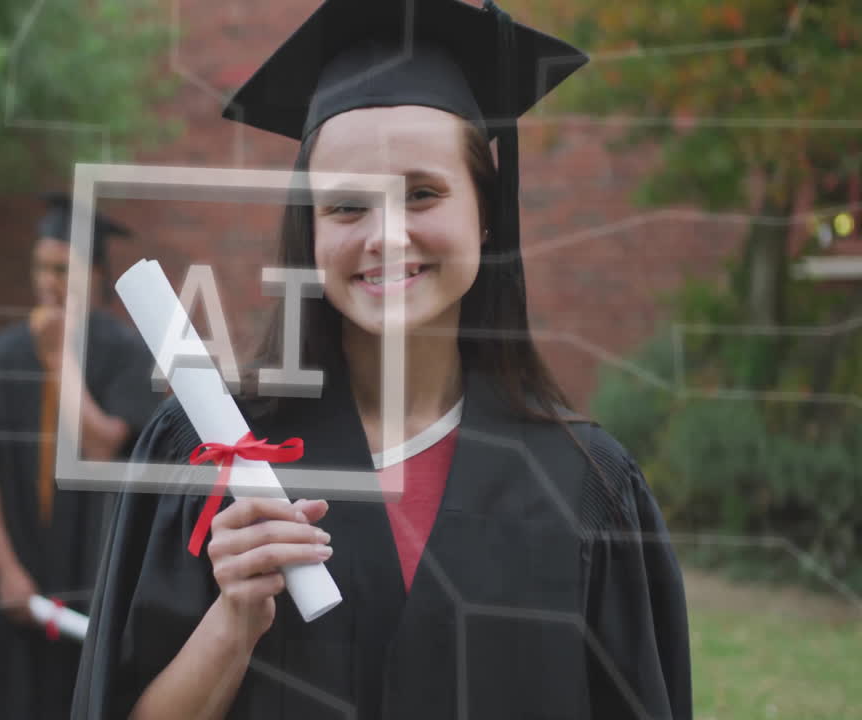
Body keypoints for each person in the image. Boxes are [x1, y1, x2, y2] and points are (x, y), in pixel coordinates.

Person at [74, 2, 693, 719]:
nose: (386, 237)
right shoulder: (209, 456)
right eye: (347, 207)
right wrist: (235, 617)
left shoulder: (589, 491)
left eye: (423, 194)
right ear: (309, 228)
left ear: (485, 215)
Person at [0, 193, 160, 719]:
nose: (47, 280)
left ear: (96, 274)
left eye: (62, 268)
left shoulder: (127, 354)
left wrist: (60, 358)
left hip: (91, 568)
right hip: (21, 565)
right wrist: (4, 567)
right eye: (40, 266)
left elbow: (102, 445)